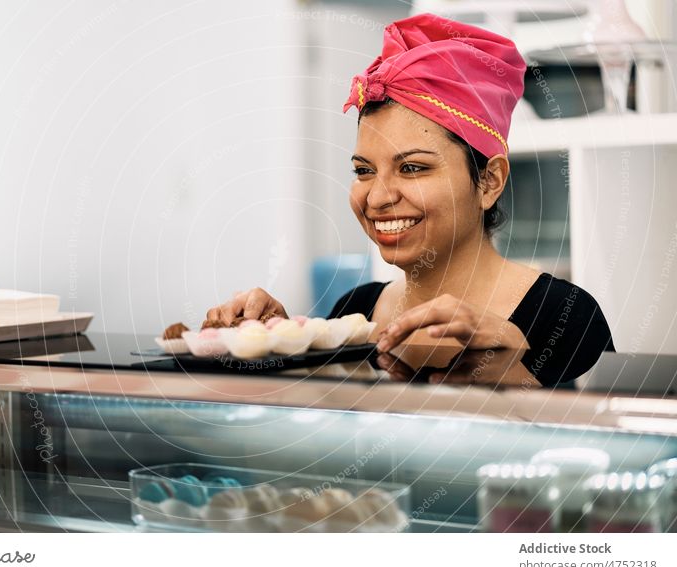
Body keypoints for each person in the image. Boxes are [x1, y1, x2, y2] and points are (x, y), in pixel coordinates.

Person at [205, 14, 614, 386]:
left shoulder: (567, 317)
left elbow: (608, 456)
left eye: (413, 168)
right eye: (364, 171)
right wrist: (283, 347)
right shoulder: (357, 308)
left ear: (489, 181)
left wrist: (515, 376)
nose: (379, 197)